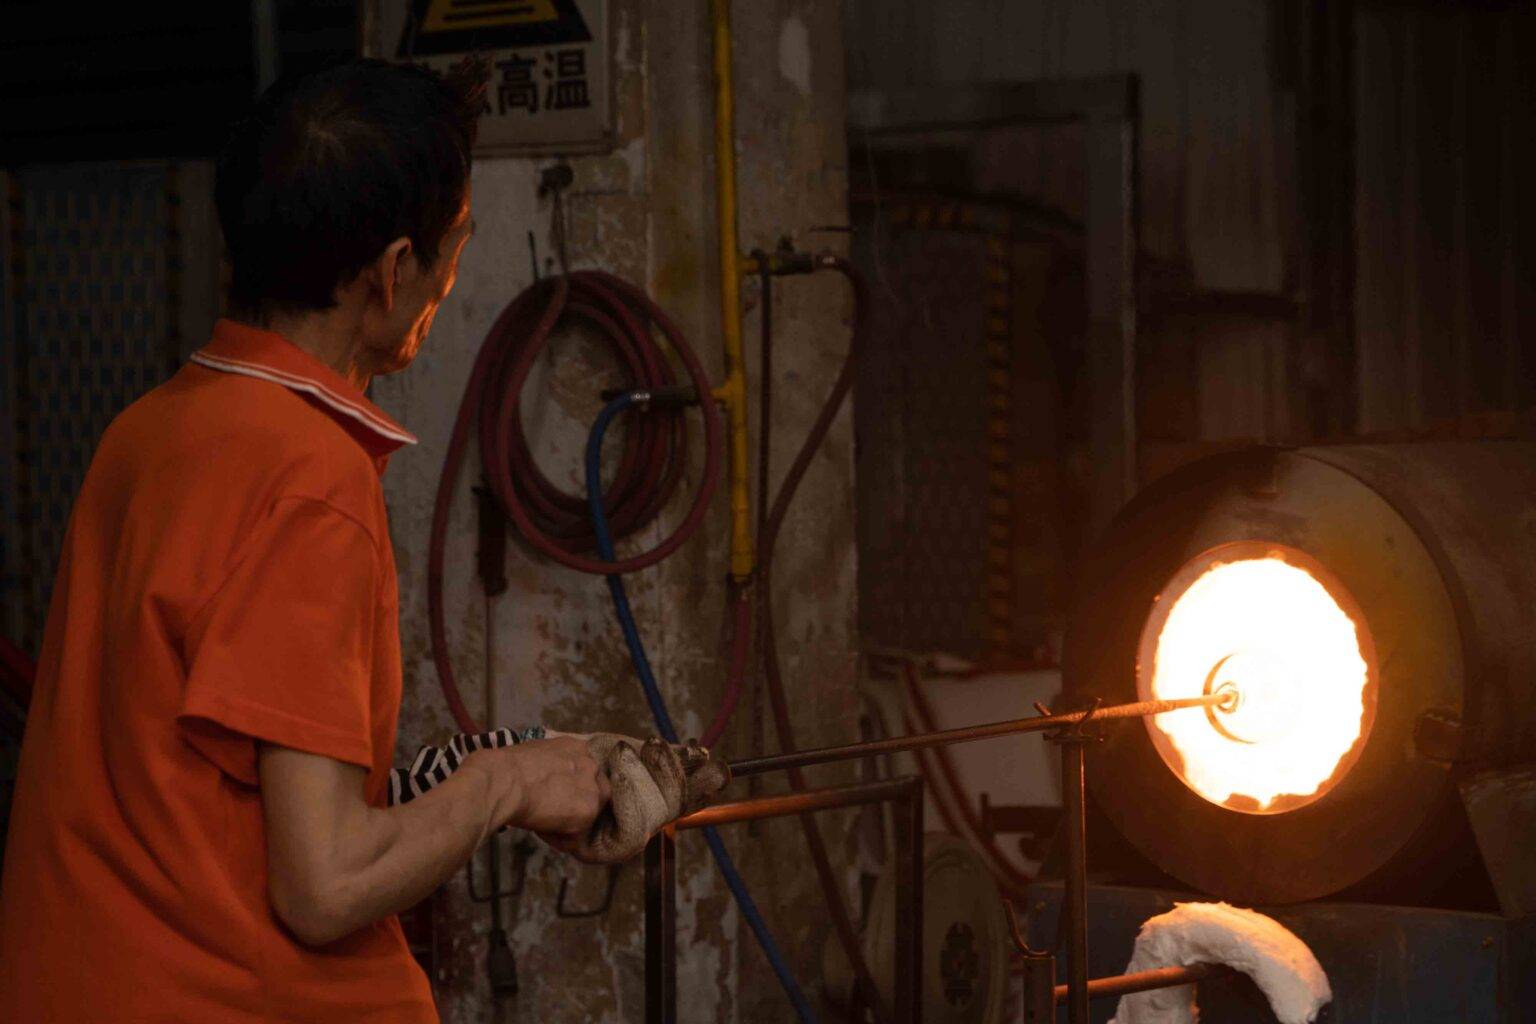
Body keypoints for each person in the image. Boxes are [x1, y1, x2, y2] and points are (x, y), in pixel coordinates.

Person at [0, 59, 715, 1023]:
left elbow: (218, 769)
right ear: (391, 275)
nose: (448, 274)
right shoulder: (312, 480)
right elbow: (323, 885)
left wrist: (479, 770)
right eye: (452, 247)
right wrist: (502, 784)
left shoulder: (150, 429)